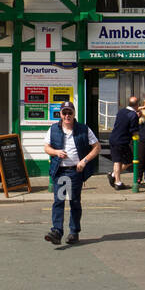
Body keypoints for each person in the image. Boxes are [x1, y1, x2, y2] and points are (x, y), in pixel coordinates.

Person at [43, 102, 99, 245]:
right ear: (60, 114)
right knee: (59, 201)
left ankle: (74, 232)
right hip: (60, 171)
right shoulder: (54, 129)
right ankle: (57, 231)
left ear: (74, 114)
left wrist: (84, 161)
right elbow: (46, 148)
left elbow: (96, 147)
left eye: (70, 113)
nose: (67, 116)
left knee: (74, 201)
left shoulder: (83, 129)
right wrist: (56, 152)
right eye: (64, 113)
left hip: (75, 171)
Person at [108, 95, 139, 190]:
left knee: (117, 161)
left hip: (113, 138)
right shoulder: (133, 115)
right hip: (122, 141)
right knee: (129, 161)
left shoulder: (121, 111)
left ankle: (117, 180)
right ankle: (115, 178)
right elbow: (134, 130)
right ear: (137, 105)